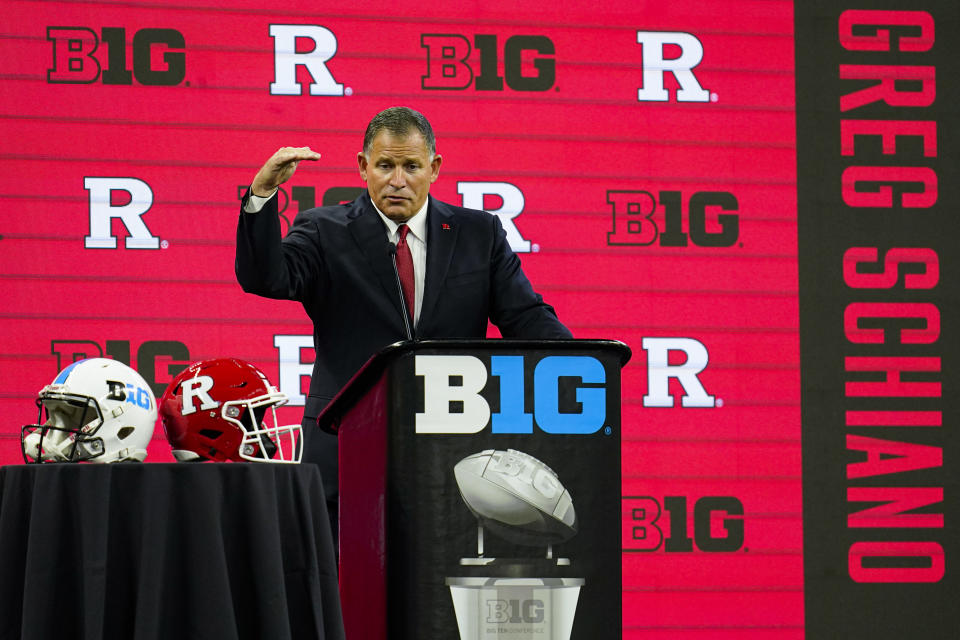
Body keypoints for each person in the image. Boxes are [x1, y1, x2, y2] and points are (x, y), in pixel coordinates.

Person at [235, 106, 571, 534]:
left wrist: (584, 364)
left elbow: (524, 315)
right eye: (385, 165)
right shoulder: (324, 230)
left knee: (436, 587)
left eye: (411, 166)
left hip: (452, 450)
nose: (398, 180)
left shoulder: (478, 233)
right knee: (343, 586)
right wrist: (261, 196)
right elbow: (265, 277)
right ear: (363, 167)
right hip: (347, 445)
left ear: (434, 168)